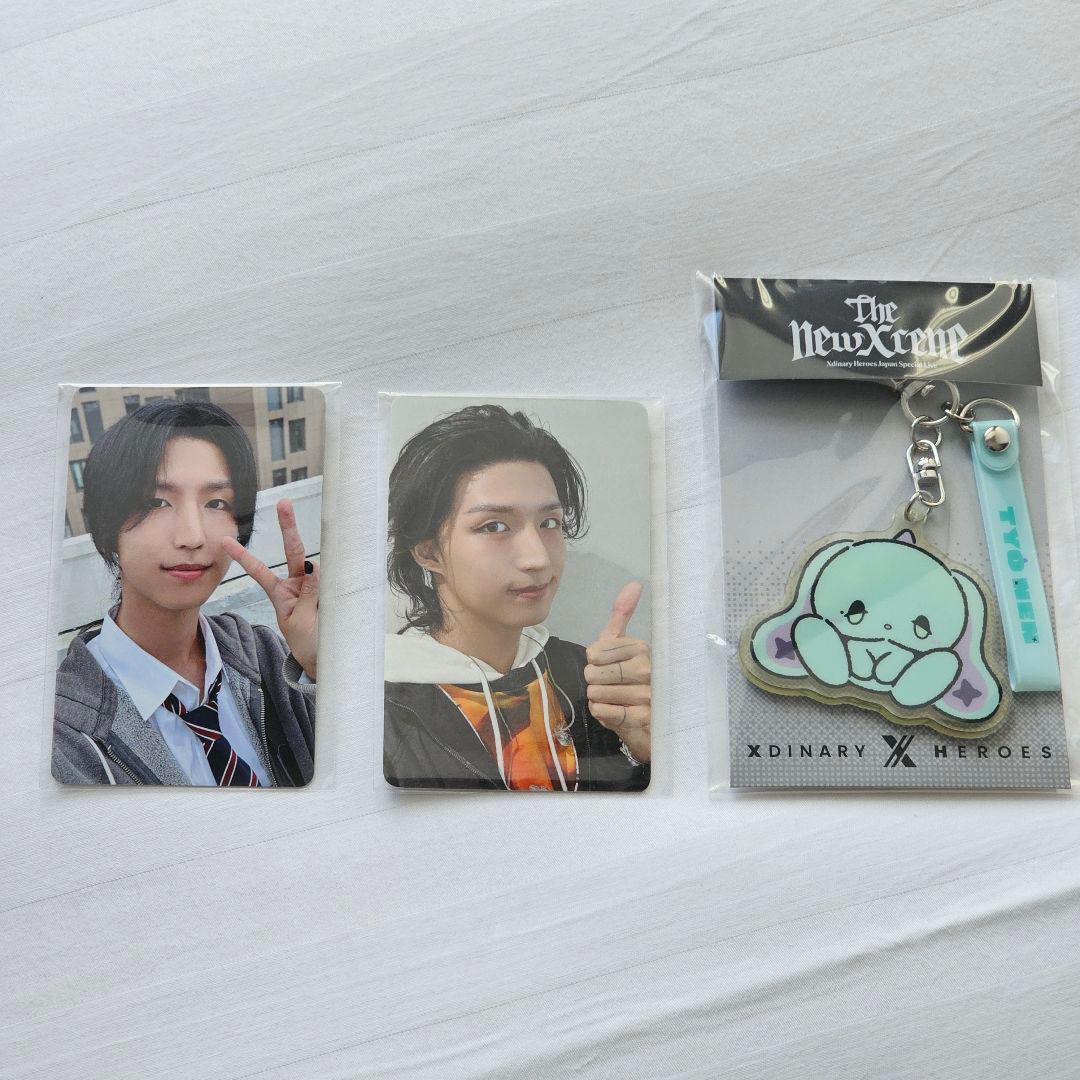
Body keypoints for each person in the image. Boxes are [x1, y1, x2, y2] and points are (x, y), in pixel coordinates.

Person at [52, 398, 319, 787]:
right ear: (107, 522)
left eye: (216, 503)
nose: (192, 536)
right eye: (156, 502)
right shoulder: (62, 737)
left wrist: (319, 664)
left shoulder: (267, 655)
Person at [384, 404, 651, 791]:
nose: (538, 558)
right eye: (494, 526)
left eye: (549, 523)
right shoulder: (386, 702)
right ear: (428, 552)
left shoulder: (588, 677)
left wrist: (644, 752)